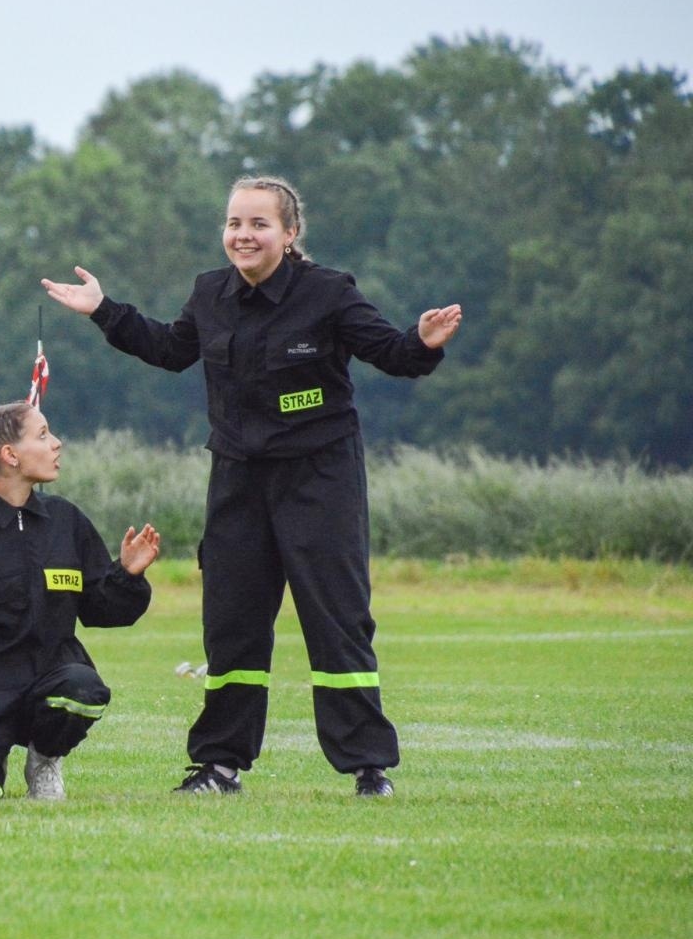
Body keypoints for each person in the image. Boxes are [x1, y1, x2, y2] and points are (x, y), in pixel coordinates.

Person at [41, 174, 463, 797]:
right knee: (231, 624)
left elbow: (391, 352)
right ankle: (219, 765)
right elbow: (167, 348)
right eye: (235, 223)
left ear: (289, 235)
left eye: (259, 224)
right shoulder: (210, 294)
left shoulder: (329, 292)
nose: (243, 235)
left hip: (320, 477)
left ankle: (368, 766)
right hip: (238, 480)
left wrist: (422, 342)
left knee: (337, 619)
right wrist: (104, 310)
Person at [0, 403, 159, 799]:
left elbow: (101, 610)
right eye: (42, 435)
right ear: (10, 455)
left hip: (51, 679)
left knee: (82, 689)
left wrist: (127, 574)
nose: (56, 443)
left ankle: (45, 757)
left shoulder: (66, 521)